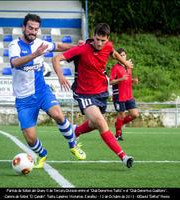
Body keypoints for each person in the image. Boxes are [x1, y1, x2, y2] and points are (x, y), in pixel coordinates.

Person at [8, 13, 86, 169]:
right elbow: (15, 62)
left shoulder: (40, 43)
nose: (33, 32)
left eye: (36, 29)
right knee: (30, 139)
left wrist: (79, 47)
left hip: (42, 91)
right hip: (24, 99)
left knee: (58, 114)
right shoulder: (14, 45)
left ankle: (73, 145)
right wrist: (35, 54)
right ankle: (42, 154)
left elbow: (58, 46)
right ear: (23, 27)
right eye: (30, 28)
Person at [52, 23, 134, 168]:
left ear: (107, 38)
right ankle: (123, 157)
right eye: (97, 39)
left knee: (94, 124)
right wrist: (60, 76)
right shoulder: (82, 49)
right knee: (101, 122)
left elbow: (113, 53)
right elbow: (56, 59)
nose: (100, 43)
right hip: (84, 93)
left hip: (101, 91)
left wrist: (125, 62)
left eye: (103, 40)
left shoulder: (108, 46)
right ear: (93, 36)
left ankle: (75, 131)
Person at [109, 48, 139, 141]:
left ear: (126, 55)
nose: (122, 56)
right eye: (120, 55)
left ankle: (119, 123)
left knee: (135, 114)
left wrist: (133, 80)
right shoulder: (115, 68)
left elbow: (127, 80)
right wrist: (120, 79)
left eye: (123, 55)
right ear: (117, 57)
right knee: (121, 115)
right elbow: (111, 82)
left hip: (129, 95)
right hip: (119, 95)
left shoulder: (128, 67)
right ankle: (118, 134)